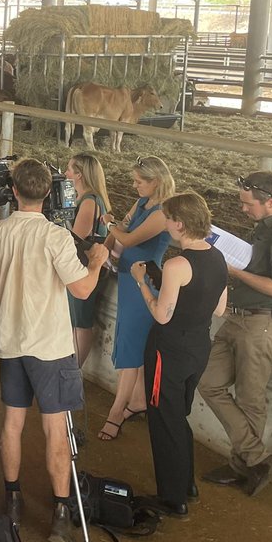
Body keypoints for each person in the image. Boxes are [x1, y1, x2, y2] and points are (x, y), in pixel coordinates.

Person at [0, 158, 108, 542]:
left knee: (12, 424)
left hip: (9, 340)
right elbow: (82, 289)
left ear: (14, 191)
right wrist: (98, 263)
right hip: (50, 347)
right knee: (55, 427)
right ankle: (58, 510)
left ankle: (13, 498)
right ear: (50, 192)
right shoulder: (56, 236)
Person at [198, 170, 272, 496]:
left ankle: (243, 465)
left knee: (249, 397)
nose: (244, 210)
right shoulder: (266, 227)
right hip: (242, 317)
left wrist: (233, 271)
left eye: (248, 204)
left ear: (271, 201)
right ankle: (255, 458)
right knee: (208, 382)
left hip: (263, 322)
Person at [131, 192, 227, 517]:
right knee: (177, 416)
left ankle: (172, 498)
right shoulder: (218, 257)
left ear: (180, 224)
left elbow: (161, 315)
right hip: (199, 346)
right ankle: (186, 484)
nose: (166, 223)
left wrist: (142, 283)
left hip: (167, 350)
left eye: (169, 218)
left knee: (162, 419)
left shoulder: (176, 264)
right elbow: (220, 307)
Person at [98, 154, 174, 441]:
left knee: (129, 346)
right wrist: (115, 229)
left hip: (146, 283)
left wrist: (108, 224)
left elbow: (128, 238)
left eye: (139, 182)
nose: (134, 186)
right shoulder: (144, 203)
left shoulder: (163, 213)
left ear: (156, 182)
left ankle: (116, 413)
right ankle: (139, 401)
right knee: (132, 341)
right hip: (129, 279)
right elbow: (125, 228)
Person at [64, 153, 112, 369]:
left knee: (81, 322)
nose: (65, 174)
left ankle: (75, 370)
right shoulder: (86, 198)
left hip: (84, 266)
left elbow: (76, 237)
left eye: (69, 170)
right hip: (82, 265)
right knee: (76, 320)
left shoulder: (90, 201)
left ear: (79, 175)